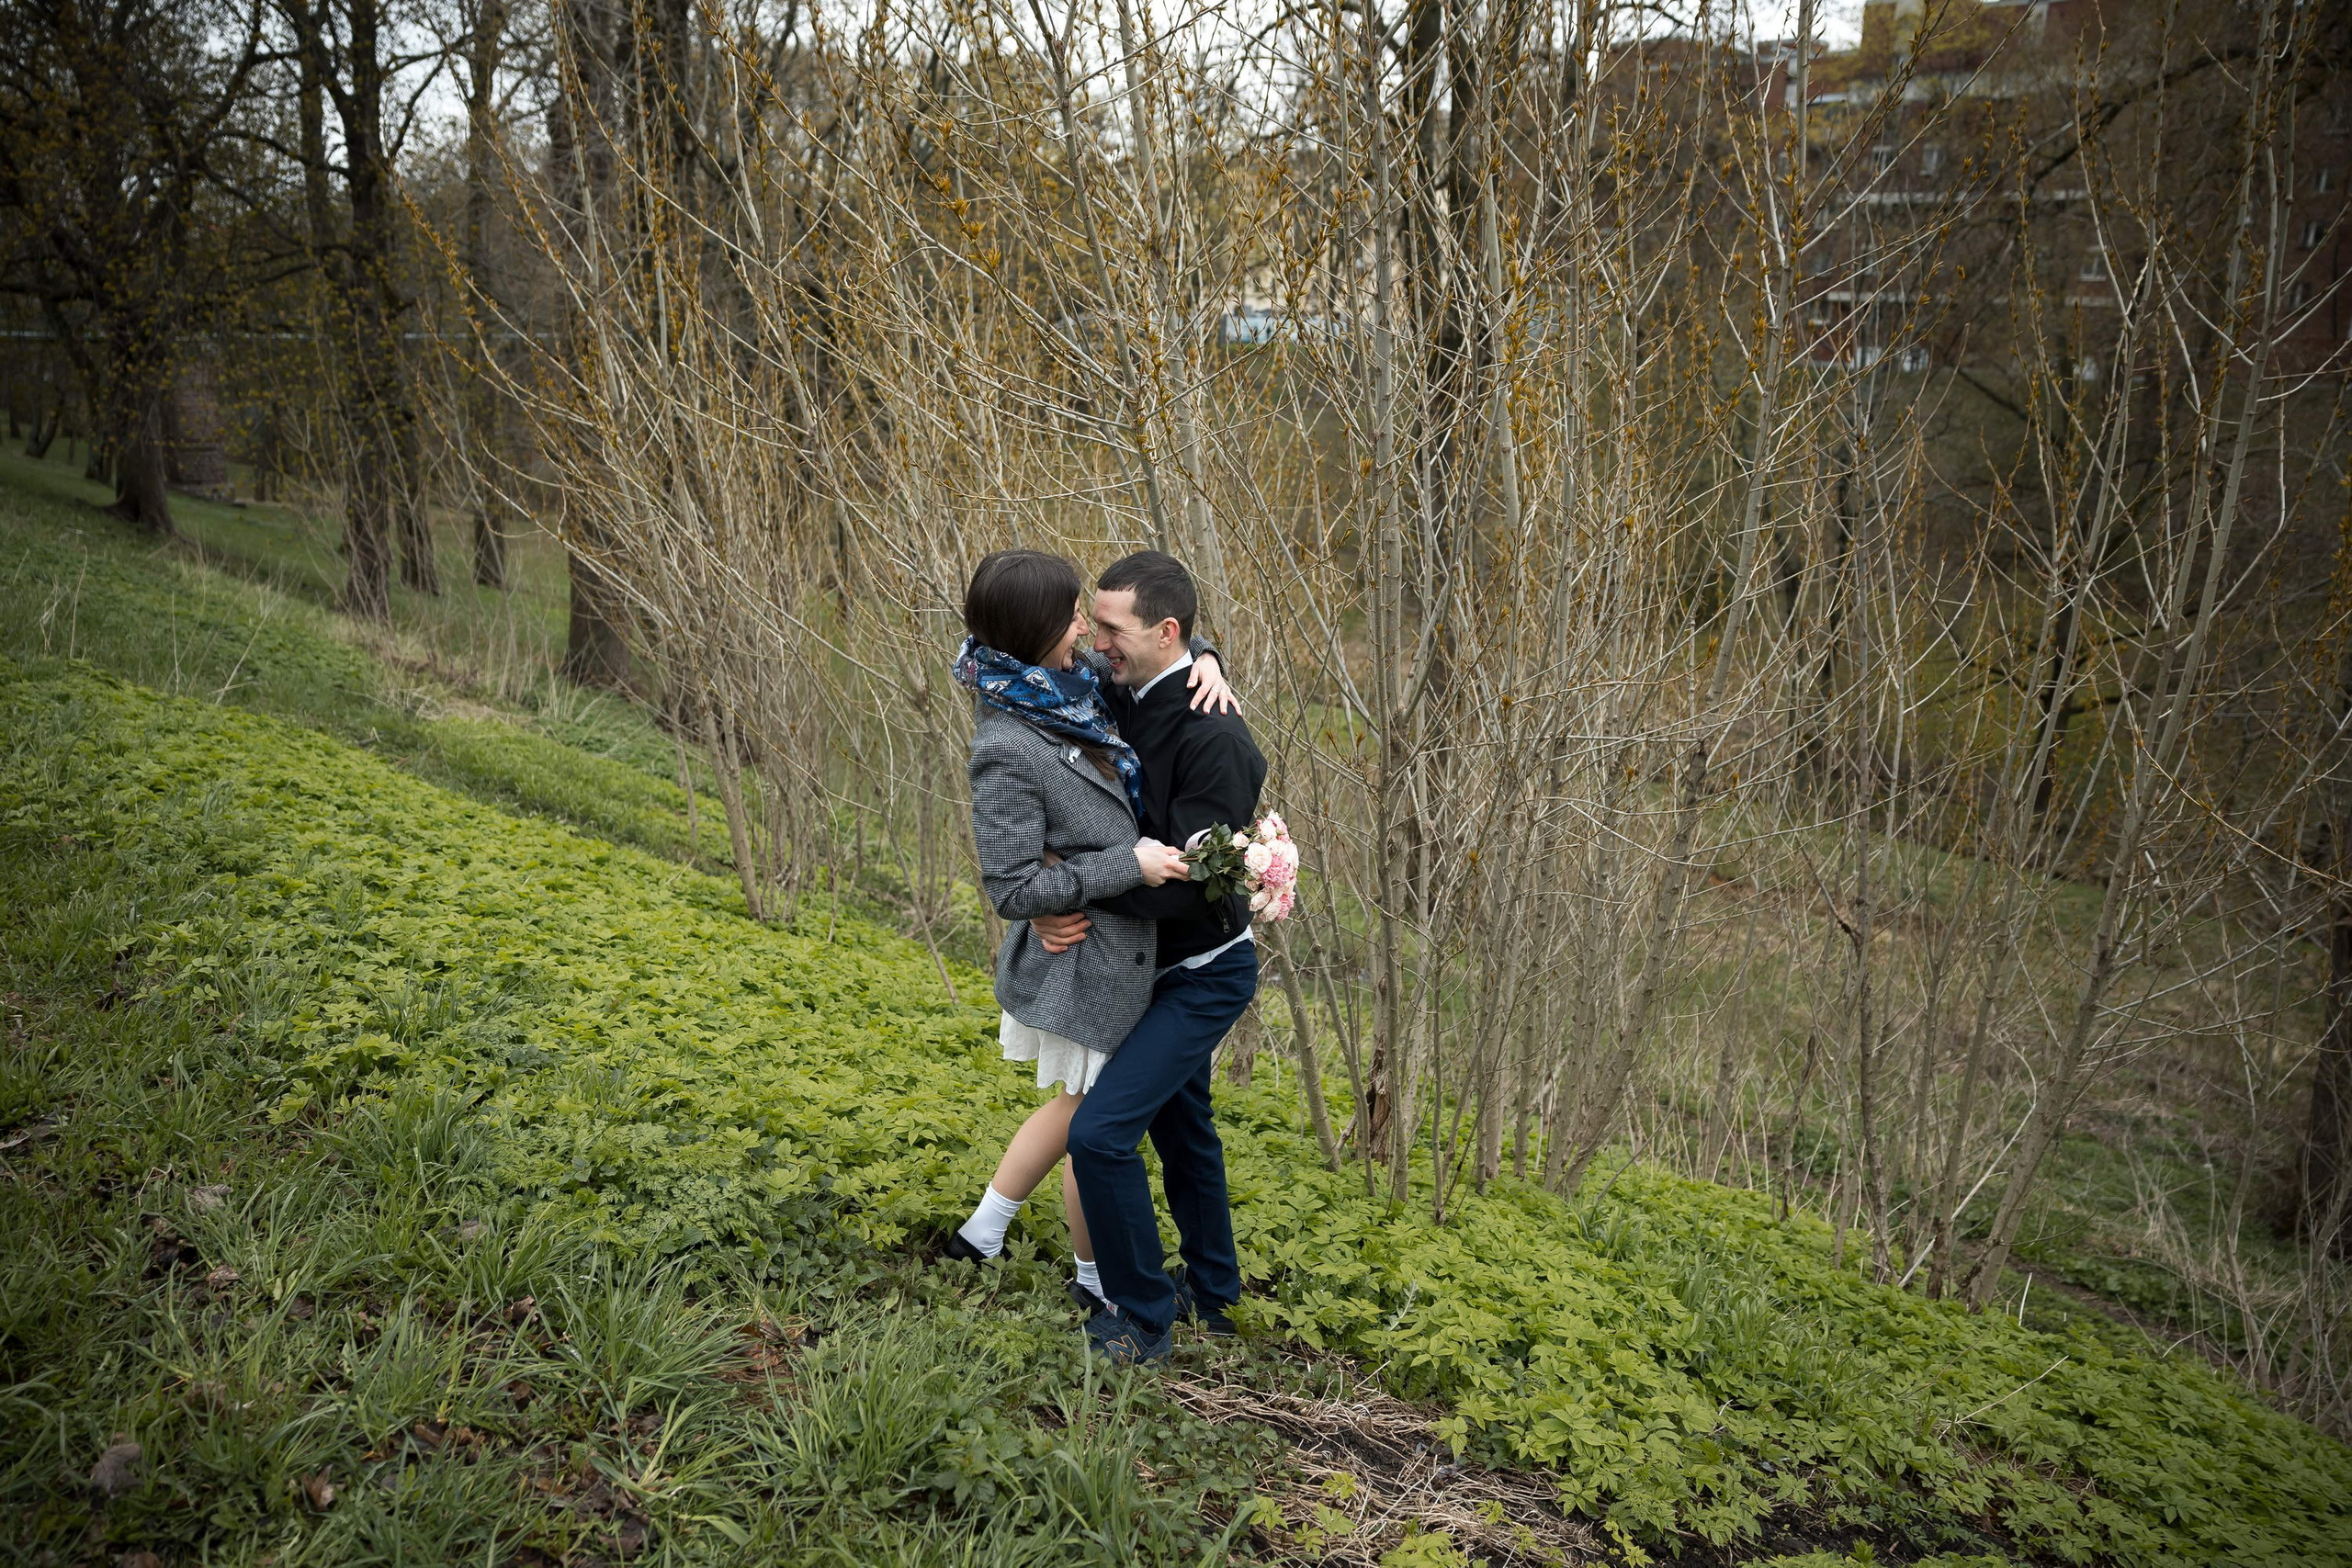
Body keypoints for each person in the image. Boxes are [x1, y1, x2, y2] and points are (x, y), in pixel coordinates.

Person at [944, 549, 1235, 1311]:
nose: (1086, 630)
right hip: (1089, 956)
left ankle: (985, 1230)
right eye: (1074, 617)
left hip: (1116, 954)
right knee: (1096, 1123)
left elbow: (1158, 648)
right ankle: (1097, 1282)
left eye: (1090, 616)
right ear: (1036, 630)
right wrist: (1126, 867)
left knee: (1086, 1110)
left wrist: (1205, 654)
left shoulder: (1065, 687)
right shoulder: (1009, 738)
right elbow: (1010, 886)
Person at [1030, 551, 1268, 1365]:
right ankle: (1215, 1293)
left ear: (1166, 632)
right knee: (1185, 1132)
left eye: (1111, 628)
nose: (1097, 643)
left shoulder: (1216, 739)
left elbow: (1196, 888)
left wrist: (1079, 888)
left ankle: (1141, 1317)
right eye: (1093, 625)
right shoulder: (1125, 687)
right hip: (1141, 965)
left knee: (1099, 1134)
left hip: (1201, 971)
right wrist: (1209, 653)